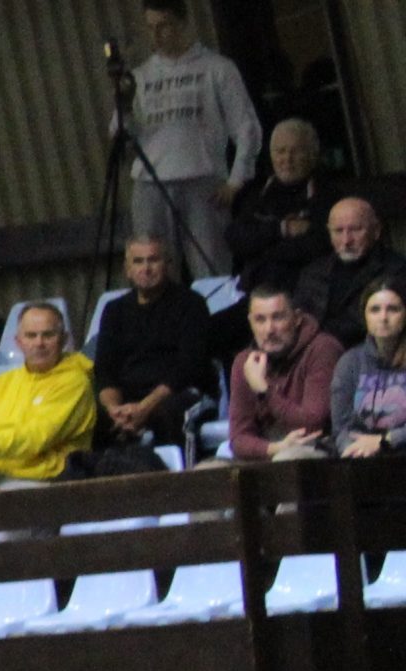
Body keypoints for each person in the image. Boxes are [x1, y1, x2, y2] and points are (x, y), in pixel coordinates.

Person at [121, 0, 261, 281]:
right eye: (151, 27)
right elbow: (123, 133)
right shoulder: (140, 77)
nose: (157, 35)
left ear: (182, 23)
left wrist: (236, 180)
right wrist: (123, 103)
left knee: (211, 265)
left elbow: (246, 127)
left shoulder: (216, 68)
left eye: (164, 26)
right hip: (150, 182)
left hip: (202, 179)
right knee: (154, 269)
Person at [0, 305, 97, 483]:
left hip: (41, 480)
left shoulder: (74, 383)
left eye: (48, 335)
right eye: (31, 336)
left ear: (64, 339)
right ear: (18, 342)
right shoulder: (2, 383)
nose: (39, 343)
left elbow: (33, 439)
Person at [94, 238, 213, 448]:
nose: (146, 268)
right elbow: (105, 370)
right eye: (138, 261)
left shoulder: (191, 304)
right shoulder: (114, 310)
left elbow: (189, 368)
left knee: (166, 414)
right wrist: (114, 410)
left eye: (153, 260)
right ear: (127, 270)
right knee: (92, 418)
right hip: (129, 400)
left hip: (180, 394)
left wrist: (145, 407)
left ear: (168, 265)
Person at [228, 283, 341, 461]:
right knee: (207, 469)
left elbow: (313, 424)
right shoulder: (245, 362)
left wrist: (265, 391)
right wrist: (274, 448)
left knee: (286, 459)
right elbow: (238, 438)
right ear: (250, 322)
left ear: (297, 318)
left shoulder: (322, 349)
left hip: (319, 448)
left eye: (278, 318)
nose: (269, 330)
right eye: (260, 320)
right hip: (269, 450)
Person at [227, 119, 338, 290]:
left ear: (312, 154)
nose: (287, 158)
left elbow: (319, 244)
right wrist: (282, 229)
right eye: (280, 151)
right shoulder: (256, 193)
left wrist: (262, 249)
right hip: (256, 289)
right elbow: (235, 238)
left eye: (296, 151)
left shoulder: (327, 194)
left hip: (306, 287)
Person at [294, 199, 406, 350]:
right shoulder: (313, 272)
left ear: (376, 230)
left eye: (355, 230)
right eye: (338, 231)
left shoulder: (396, 270)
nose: (346, 240)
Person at [333, 279, 406, 459]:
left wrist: (386, 441)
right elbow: (342, 427)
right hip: (363, 458)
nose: (383, 317)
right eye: (375, 310)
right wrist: (352, 450)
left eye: (393, 309)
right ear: (364, 316)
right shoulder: (350, 362)